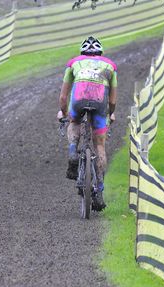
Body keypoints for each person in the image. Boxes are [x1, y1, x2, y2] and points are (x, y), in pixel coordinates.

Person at [57, 36, 117, 211]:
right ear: (101, 53)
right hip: (100, 103)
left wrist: (64, 113)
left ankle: (73, 153)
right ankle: (99, 190)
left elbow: (63, 96)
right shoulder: (111, 66)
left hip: (78, 100)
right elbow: (112, 100)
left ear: (82, 52)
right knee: (100, 146)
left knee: (74, 121)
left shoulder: (73, 63)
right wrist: (111, 114)